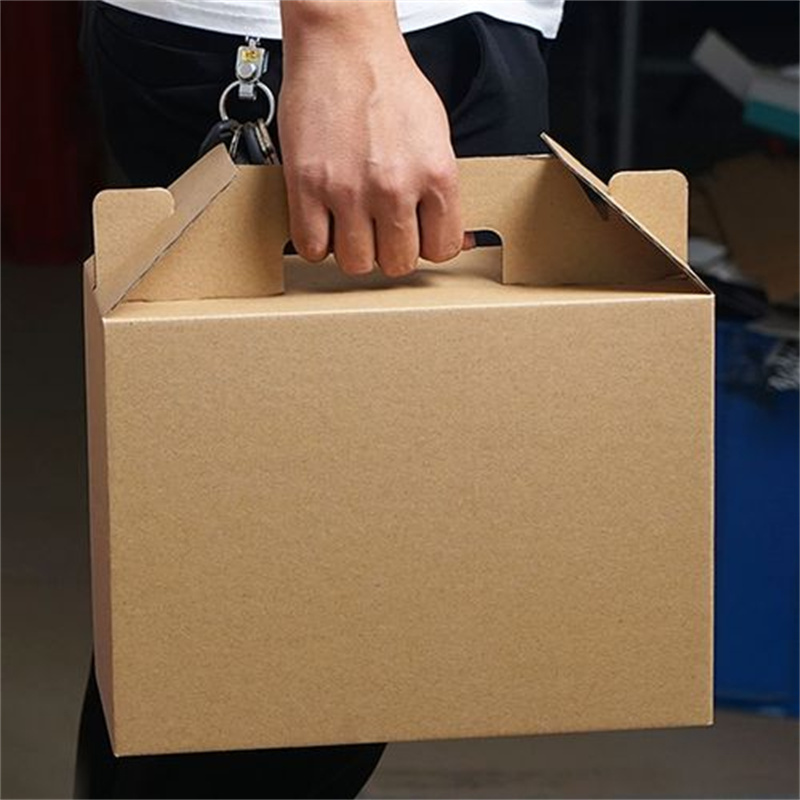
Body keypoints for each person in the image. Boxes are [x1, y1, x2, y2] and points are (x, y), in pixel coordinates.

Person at [76, 1, 562, 797]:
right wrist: (340, 34)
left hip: (452, 36)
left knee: (339, 612)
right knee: (258, 662)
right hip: (312, 50)